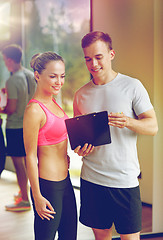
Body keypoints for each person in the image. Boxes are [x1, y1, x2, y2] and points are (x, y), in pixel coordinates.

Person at [73, 31, 158, 240]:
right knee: (101, 236)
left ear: (111, 54)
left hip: (124, 180)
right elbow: (78, 139)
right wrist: (79, 149)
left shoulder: (132, 86)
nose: (93, 64)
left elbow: (153, 126)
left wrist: (129, 122)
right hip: (91, 178)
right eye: (88, 59)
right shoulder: (81, 94)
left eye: (98, 57)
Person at [23, 51, 77, 240]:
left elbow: (57, 140)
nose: (59, 82)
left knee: (69, 235)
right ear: (37, 75)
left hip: (66, 181)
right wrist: (36, 196)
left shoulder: (54, 103)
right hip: (48, 186)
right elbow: (29, 156)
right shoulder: (34, 110)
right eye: (53, 76)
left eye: (62, 76)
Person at [0, 44, 36, 211]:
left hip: (15, 127)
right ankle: (26, 193)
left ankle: (24, 199)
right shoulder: (29, 75)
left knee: (19, 165)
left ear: (9, 59)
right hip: (29, 126)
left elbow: (11, 109)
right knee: (28, 162)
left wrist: (1, 109)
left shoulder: (12, 80)